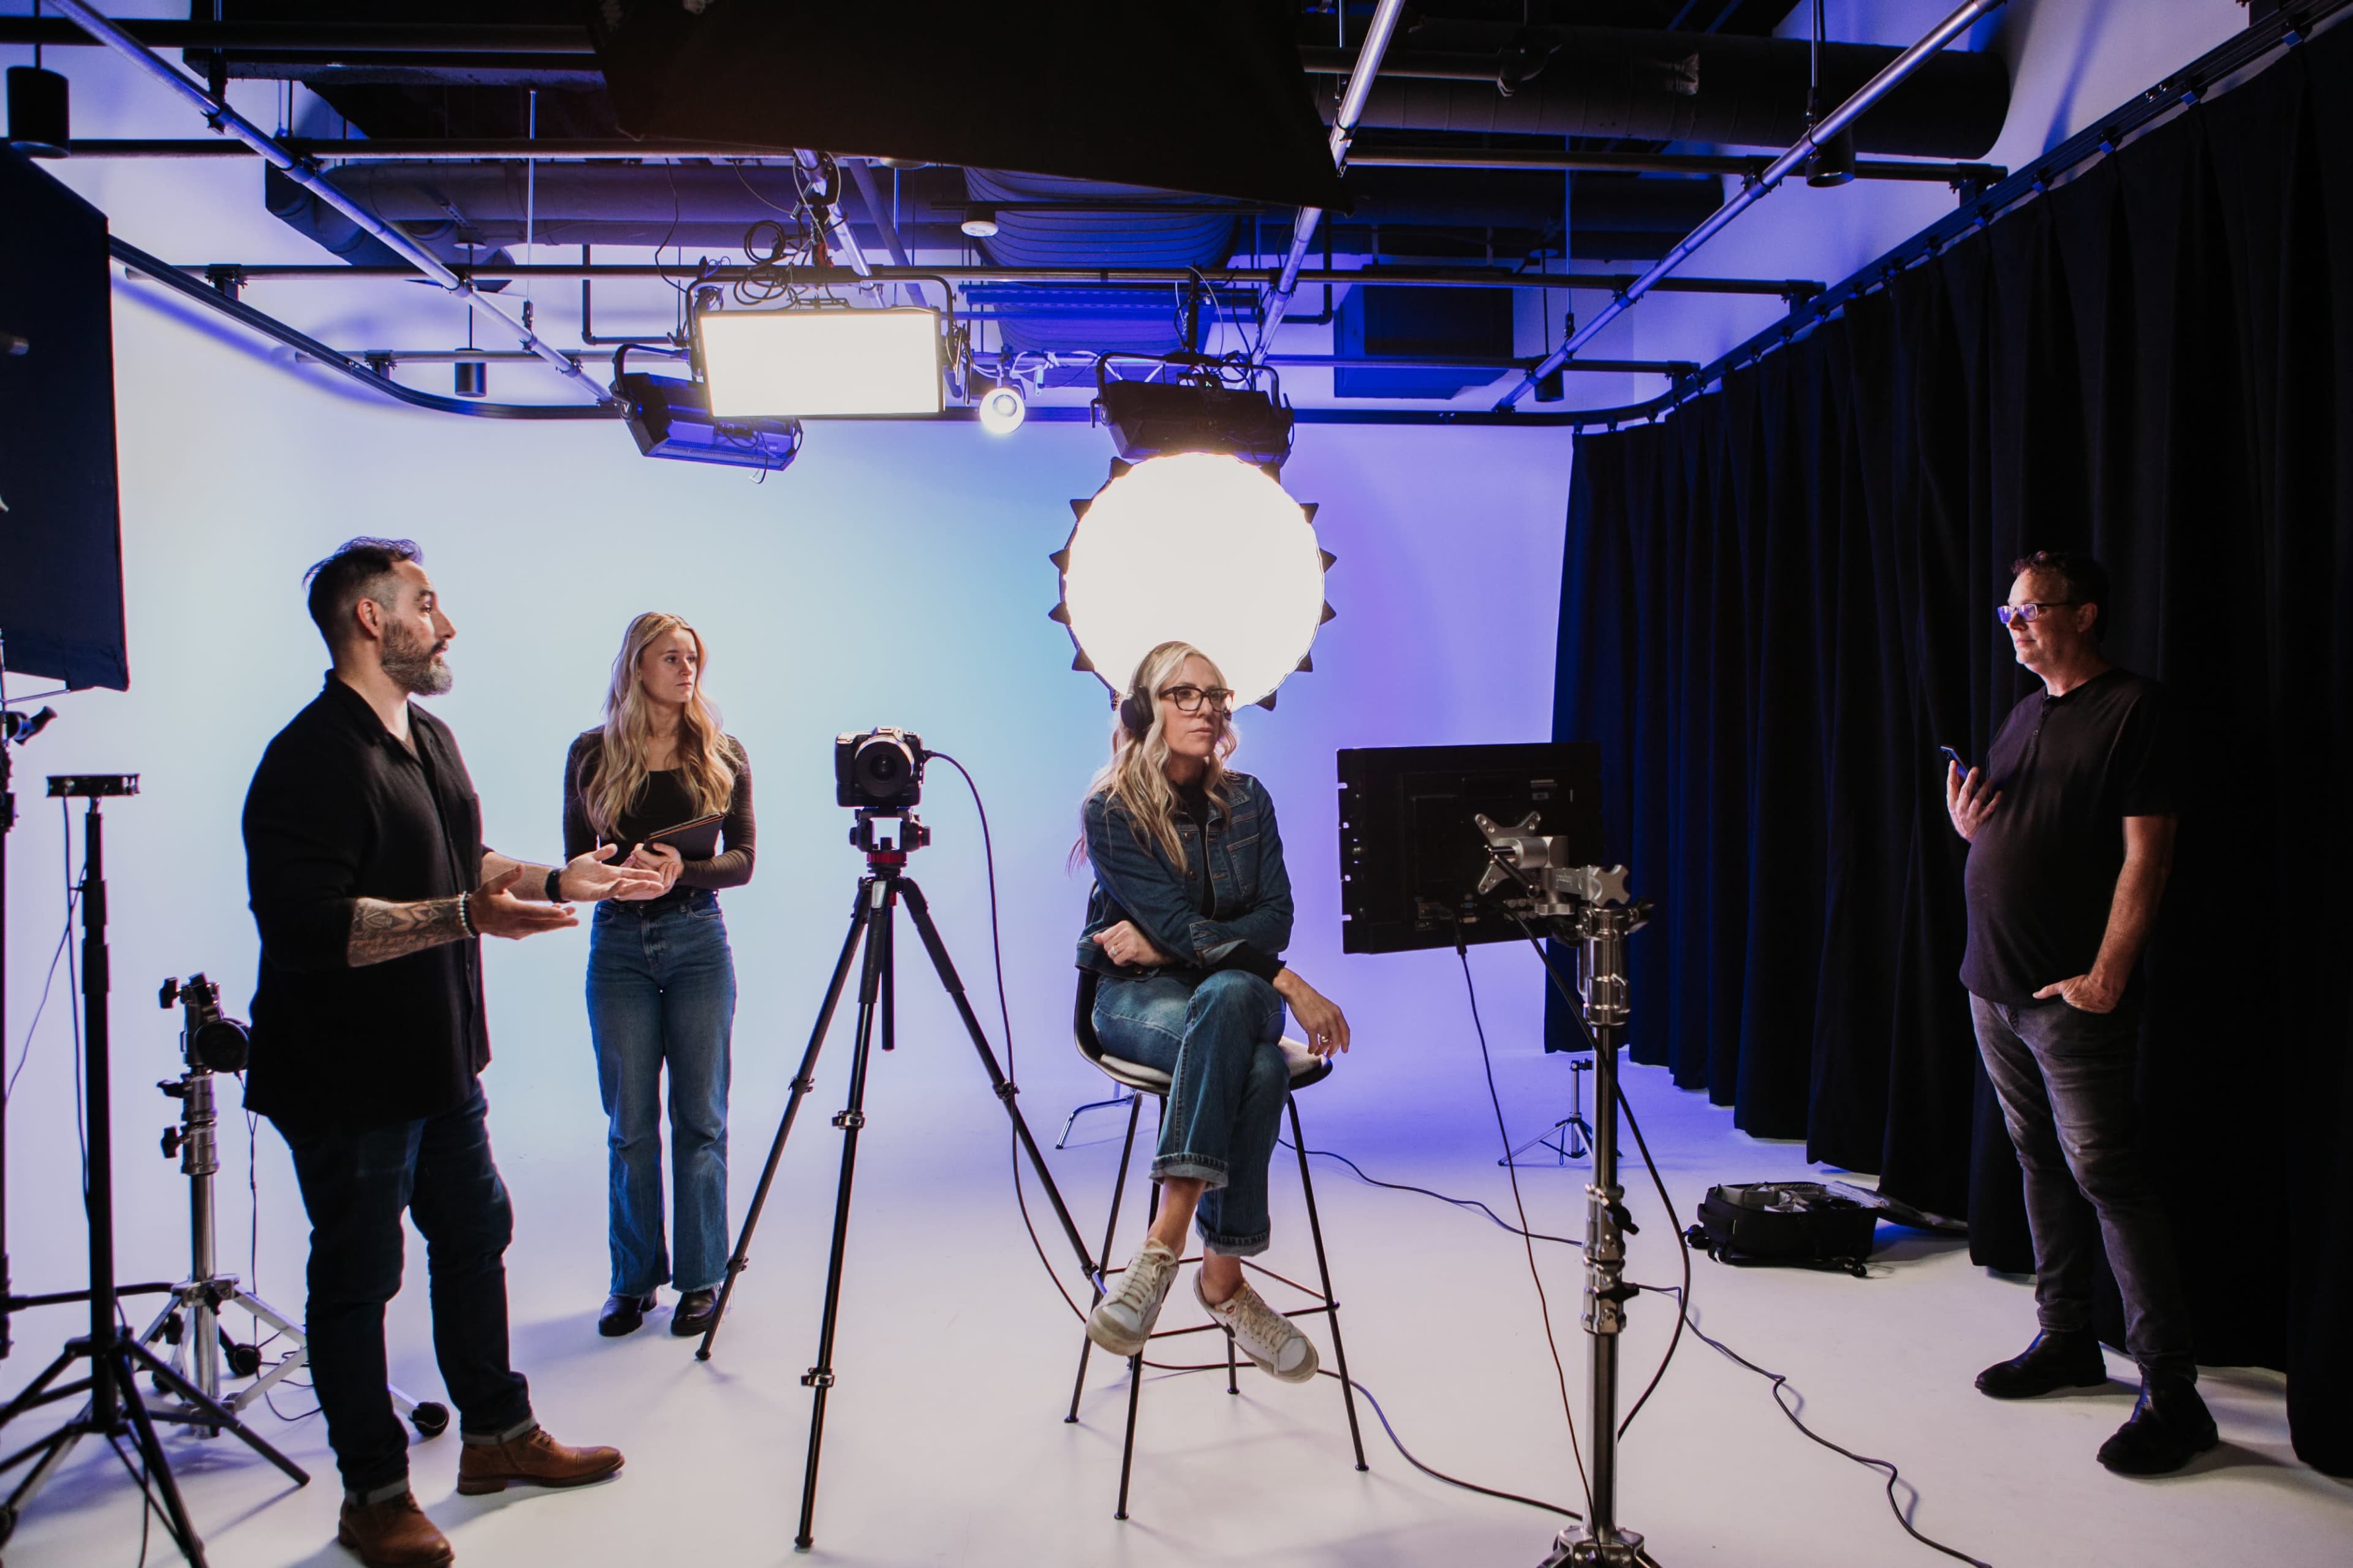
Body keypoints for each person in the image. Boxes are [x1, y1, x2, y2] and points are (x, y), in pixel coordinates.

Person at [245, 539, 664, 1568]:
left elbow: (463, 862)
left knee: (475, 1234)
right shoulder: (306, 758)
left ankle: (496, 1435)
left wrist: (564, 880)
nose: (447, 622)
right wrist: (466, 916)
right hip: (346, 1076)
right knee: (359, 1275)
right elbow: (311, 924)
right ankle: (375, 1494)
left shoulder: (426, 735)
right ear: (367, 619)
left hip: (440, 1060)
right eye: (425, 603)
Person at [1944, 548, 2211, 1475]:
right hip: (1995, 986)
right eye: (2007, 613)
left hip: (2068, 995)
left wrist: (2106, 975)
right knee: (2038, 1162)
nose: (2015, 628)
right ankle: (2066, 1336)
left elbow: (2149, 858)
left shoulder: (2136, 709)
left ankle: (2173, 1395)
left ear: (2086, 613)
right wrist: (1974, 829)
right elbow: (2030, 824)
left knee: (2110, 1177)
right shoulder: (2027, 712)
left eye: (2032, 611)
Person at [1074, 640, 1353, 1382]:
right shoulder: (1111, 811)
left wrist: (1168, 948)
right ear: (1144, 710)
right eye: (1183, 695)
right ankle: (1221, 1280)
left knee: (1231, 998)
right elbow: (1198, 925)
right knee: (1258, 1061)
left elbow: (1276, 918)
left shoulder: (1249, 801)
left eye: (1216, 696)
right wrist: (1289, 984)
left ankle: (1160, 1251)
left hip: (1217, 992)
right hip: (1134, 1002)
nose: (1206, 709)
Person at [563, 613, 755, 1339]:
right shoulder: (591, 754)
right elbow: (577, 860)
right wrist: (619, 879)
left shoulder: (723, 752)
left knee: (700, 1120)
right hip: (618, 947)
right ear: (636, 666)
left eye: (693, 658)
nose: (686, 670)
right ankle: (633, 1280)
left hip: (698, 941)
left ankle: (702, 1279)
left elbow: (741, 860)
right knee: (630, 1125)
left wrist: (682, 869)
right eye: (671, 657)